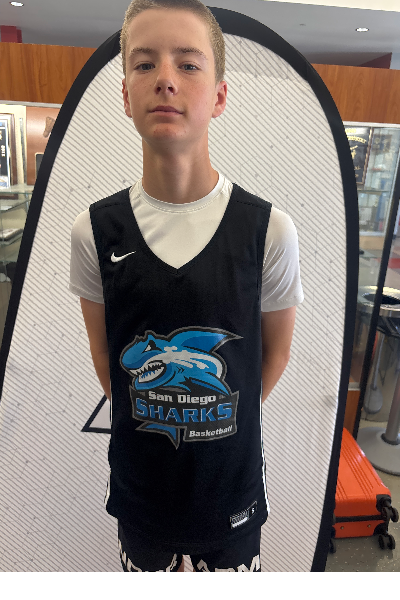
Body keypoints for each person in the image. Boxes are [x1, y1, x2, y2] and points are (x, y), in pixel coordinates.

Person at [69, 0, 304, 573]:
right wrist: (164, 409)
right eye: (145, 63)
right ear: (126, 94)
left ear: (219, 95)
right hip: (141, 488)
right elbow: (105, 355)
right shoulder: (93, 230)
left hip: (231, 489)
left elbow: (273, 355)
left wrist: (208, 417)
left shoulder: (269, 229)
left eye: (188, 64)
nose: (166, 79)